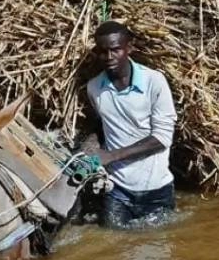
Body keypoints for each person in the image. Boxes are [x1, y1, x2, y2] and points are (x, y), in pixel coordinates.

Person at [75, 20, 178, 228]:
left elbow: (162, 138)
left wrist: (111, 156)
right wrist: (88, 149)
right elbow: (103, 126)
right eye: (103, 52)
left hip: (156, 189)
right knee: (112, 241)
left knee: (159, 243)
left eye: (115, 50)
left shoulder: (154, 82)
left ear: (129, 48)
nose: (109, 57)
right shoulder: (94, 87)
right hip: (118, 189)